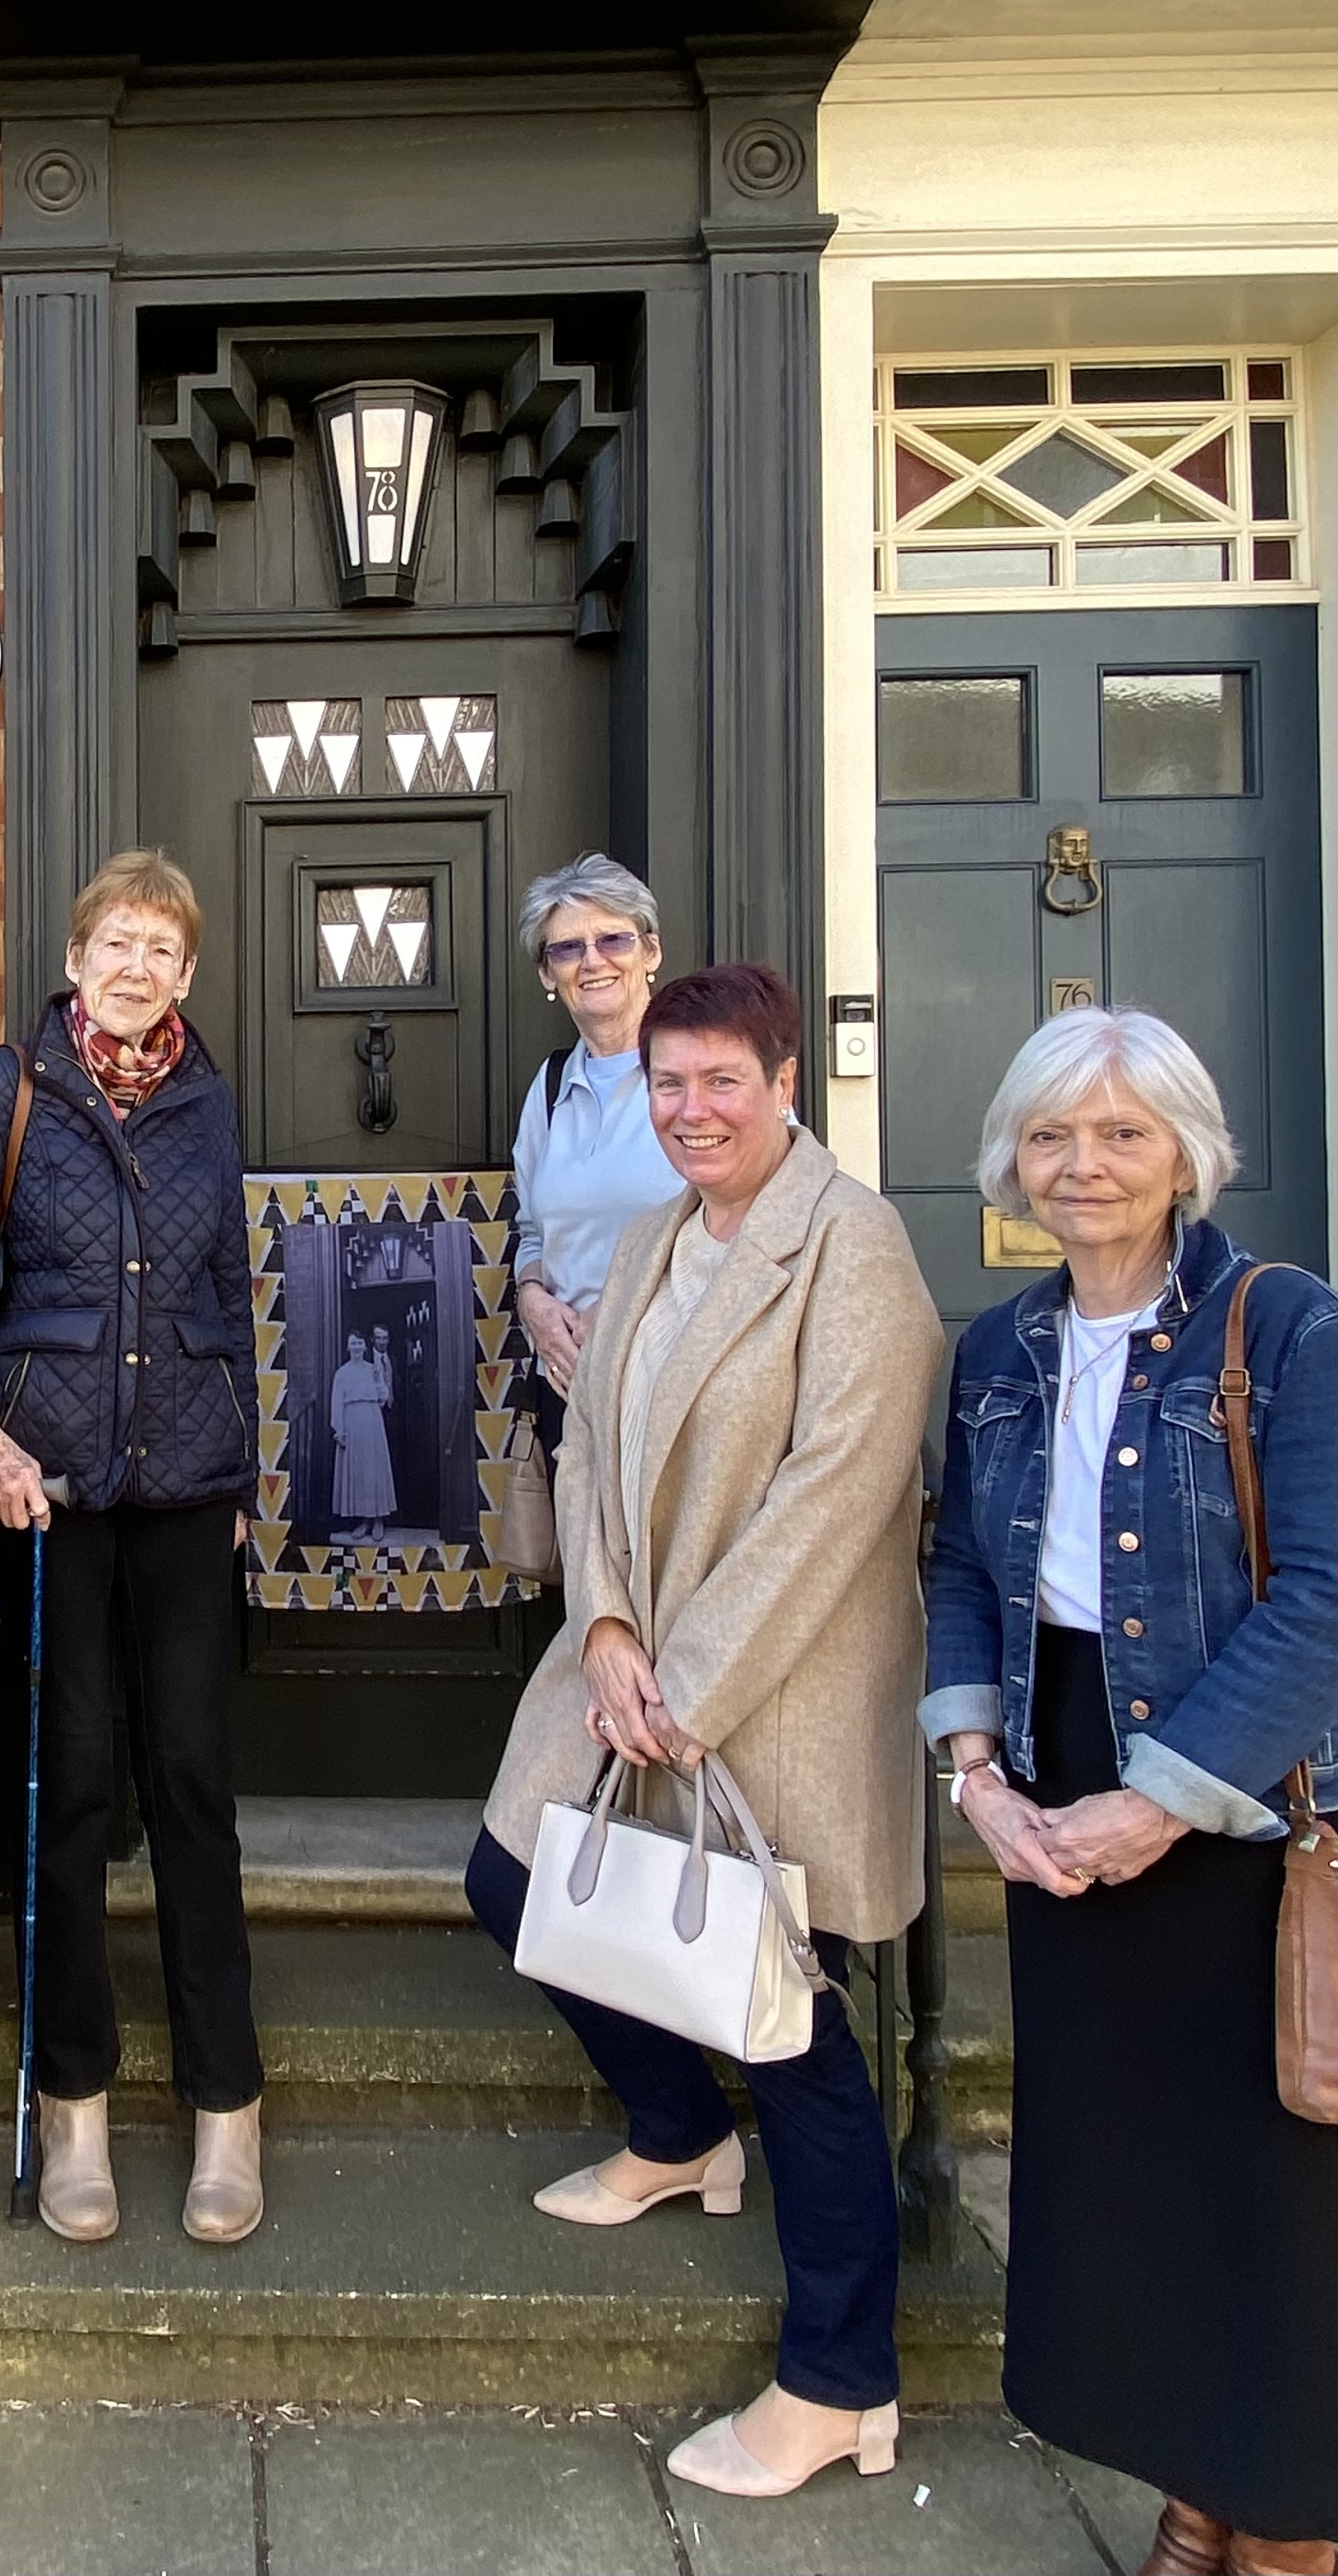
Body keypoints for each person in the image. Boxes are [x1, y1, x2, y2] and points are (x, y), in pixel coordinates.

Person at [465, 963, 943, 2502]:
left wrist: (689, 1689)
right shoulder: (665, 1233)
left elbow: (832, 1501)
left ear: (784, 1081)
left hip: (773, 1697)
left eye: (718, 1081)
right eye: (664, 1086)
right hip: (628, 1666)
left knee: (786, 2021)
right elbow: (593, 1446)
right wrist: (602, 1630)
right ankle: (673, 2133)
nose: (689, 1111)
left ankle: (838, 2379)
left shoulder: (849, 1249)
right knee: (507, 1881)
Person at [922, 1007, 1336, 2576]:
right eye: (1049, 1135)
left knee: (1269, 2177)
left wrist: (1159, 1801)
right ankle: (1189, 2491)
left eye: (1118, 1134)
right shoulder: (998, 1350)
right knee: (1131, 2173)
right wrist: (976, 1780)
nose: (1080, 1166)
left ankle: (1287, 2521)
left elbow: (1319, 1600)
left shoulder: (1282, 1326)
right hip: (1054, 1775)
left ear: (1183, 1154)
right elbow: (962, 1565)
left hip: (1237, 1794)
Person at [0, 849, 266, 2249]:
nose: (136, 966)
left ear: (186, 972)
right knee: (75, 1787)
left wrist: (242, 1464)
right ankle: (77, 2105)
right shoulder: (10, 1088)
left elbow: (226, 1286)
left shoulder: (208, 1101)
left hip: (182, 1488)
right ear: (73, 952)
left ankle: (227, 2104)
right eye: (115, 939)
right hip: (45, 1493)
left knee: (192, 1787)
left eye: (162, 947)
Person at [509, 853, 684, 1460]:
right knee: (584, 1559)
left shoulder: (702, 1075)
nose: (592, 961)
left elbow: (765, 1225)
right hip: (571, 1390)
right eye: (567, 948)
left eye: (613, 938)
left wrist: (618, 1315)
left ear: (650, 952)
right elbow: (531, 1233)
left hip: (678, 1388)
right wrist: (532, 1302)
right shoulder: (552, 1085)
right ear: (546, 974)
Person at [330, 1329, 397, 1538]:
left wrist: (379, 1379)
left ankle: (379, 1520)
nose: (357, 1347)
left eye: (360, 1343)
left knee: (374, 1471)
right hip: (352, 1423)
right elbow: (336, 1403)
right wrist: (339, 1430)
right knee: (359, 1474)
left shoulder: (372, 1369)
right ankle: (364, 1521)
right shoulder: (342, 1373)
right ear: (348, 1347)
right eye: (353, 1344)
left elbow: (383, 1398)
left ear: (365, 1347)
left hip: (372, 1421)